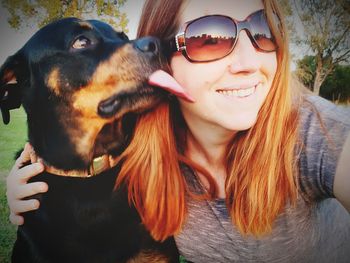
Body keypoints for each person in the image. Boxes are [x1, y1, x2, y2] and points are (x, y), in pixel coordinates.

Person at [6, 0, 350, 262]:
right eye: (209, 38)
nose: (249, 63)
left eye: (263, 30)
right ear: (167, 51)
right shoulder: (150, 143)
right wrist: (23, 177)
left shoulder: (313, 132)